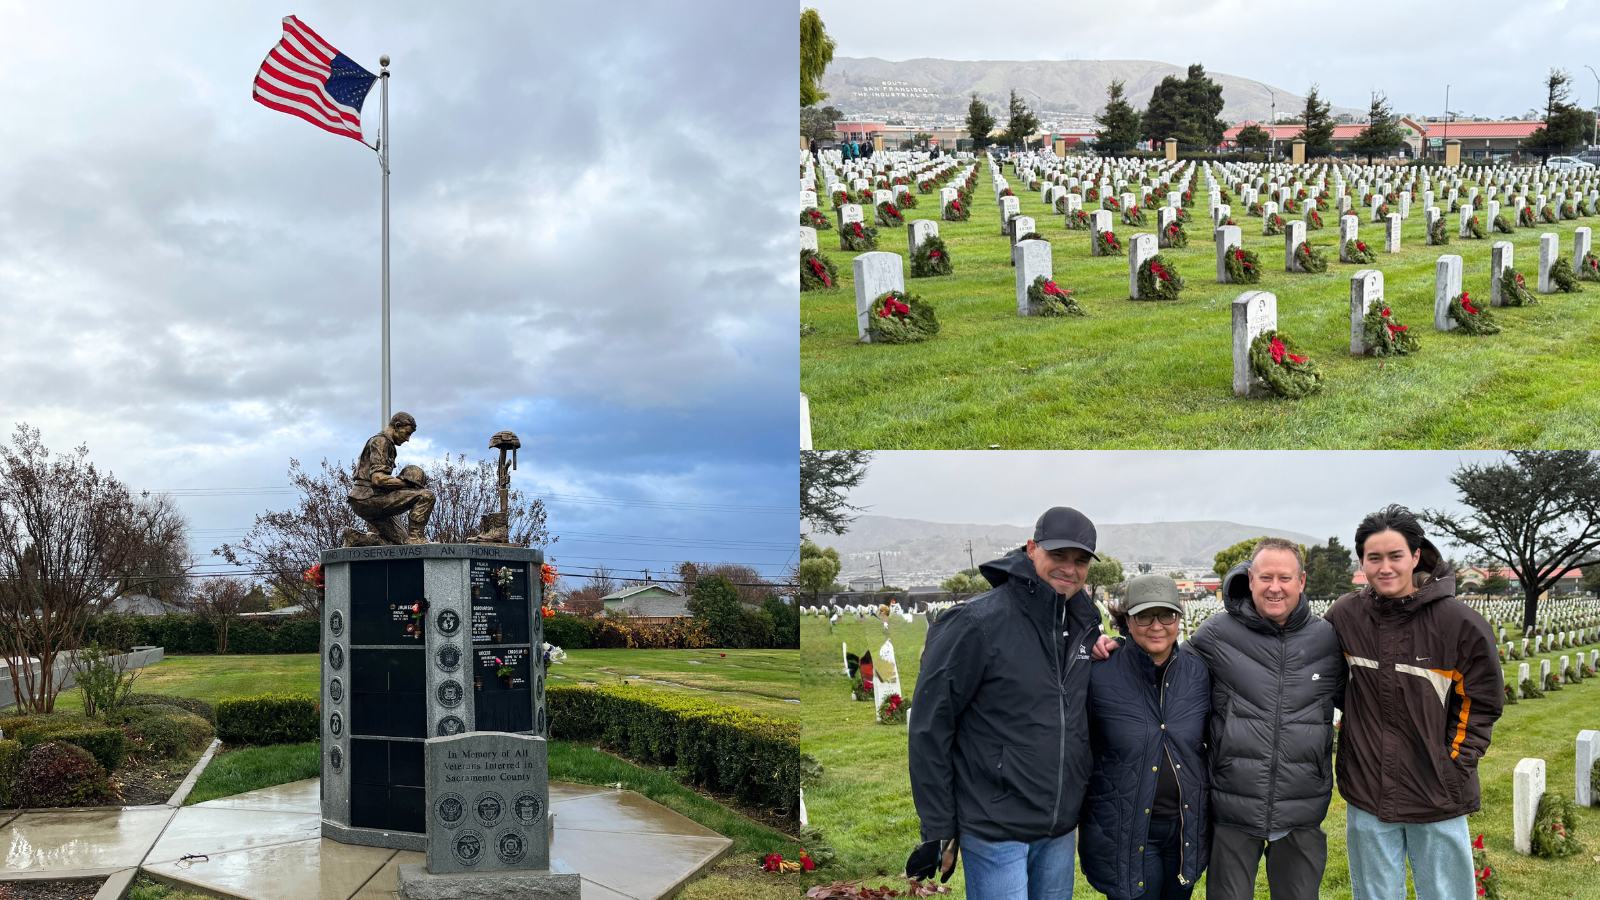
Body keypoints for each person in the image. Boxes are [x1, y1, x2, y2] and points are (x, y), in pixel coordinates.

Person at [905, 507, 1118, 900]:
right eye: (1058, 556)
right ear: (1032, 548)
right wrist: (938, 828)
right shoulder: (976, 623)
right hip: (995, 825)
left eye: (1081, 560)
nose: (1069, 569)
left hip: (1057, 827)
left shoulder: (1083, 627)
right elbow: (930, 728)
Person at [1325, 505, 1503, 900]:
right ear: (1361, 562)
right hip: (1368, 789)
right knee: (1374, 894)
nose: (1385, 567)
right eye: (1374, 558)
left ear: (1416, 556)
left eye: (1395, 556)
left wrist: (1453, 765)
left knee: (1446, 894)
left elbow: (1482, 702)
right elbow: (1333, 684)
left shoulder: (1459, 623)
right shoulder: (1345, 616)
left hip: (1436, 790)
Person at [1183, 538, 1345, 900]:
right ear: (1250, 579)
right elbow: (1166, 674)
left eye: (1285, 578)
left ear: (1301, 582)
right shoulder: (1216, 634)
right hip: (1233, 805)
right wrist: (1114, 649)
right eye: (1266, 577)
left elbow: (1363, 701)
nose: (1275, 587)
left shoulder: (1327, 639)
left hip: (1302, 807)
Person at [1080, 575, 1211, 900]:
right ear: (1126, 620)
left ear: (1179, 619)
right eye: (1144, 616)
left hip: (1184, 830)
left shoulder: (1198, 674)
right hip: (1126, 832)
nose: (1157, 626)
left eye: (1166, 615)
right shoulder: (1099, 675)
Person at [345, 411, 435, 546]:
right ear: (397, 426)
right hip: (368, 498)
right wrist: (405, 484)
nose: (407, 439)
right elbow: (378, 479)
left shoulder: (386, 443)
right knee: (426, 496)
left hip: (365, 499)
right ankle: (416, 538)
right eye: (407, 433)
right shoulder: (382, 441)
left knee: (402, 544)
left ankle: (358, 539)